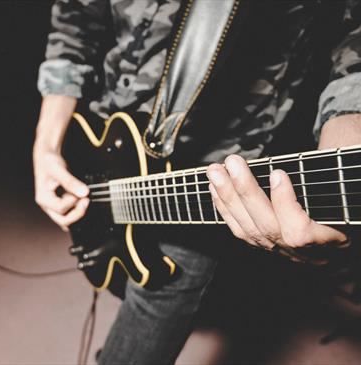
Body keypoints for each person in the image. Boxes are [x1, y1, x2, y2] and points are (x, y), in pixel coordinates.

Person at [33, 1, 361, 363]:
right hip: (105, 135)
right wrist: (46, 144)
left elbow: (353, 41)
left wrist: (340, 162)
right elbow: (75, 20)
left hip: (210, 178)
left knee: (143, 329)